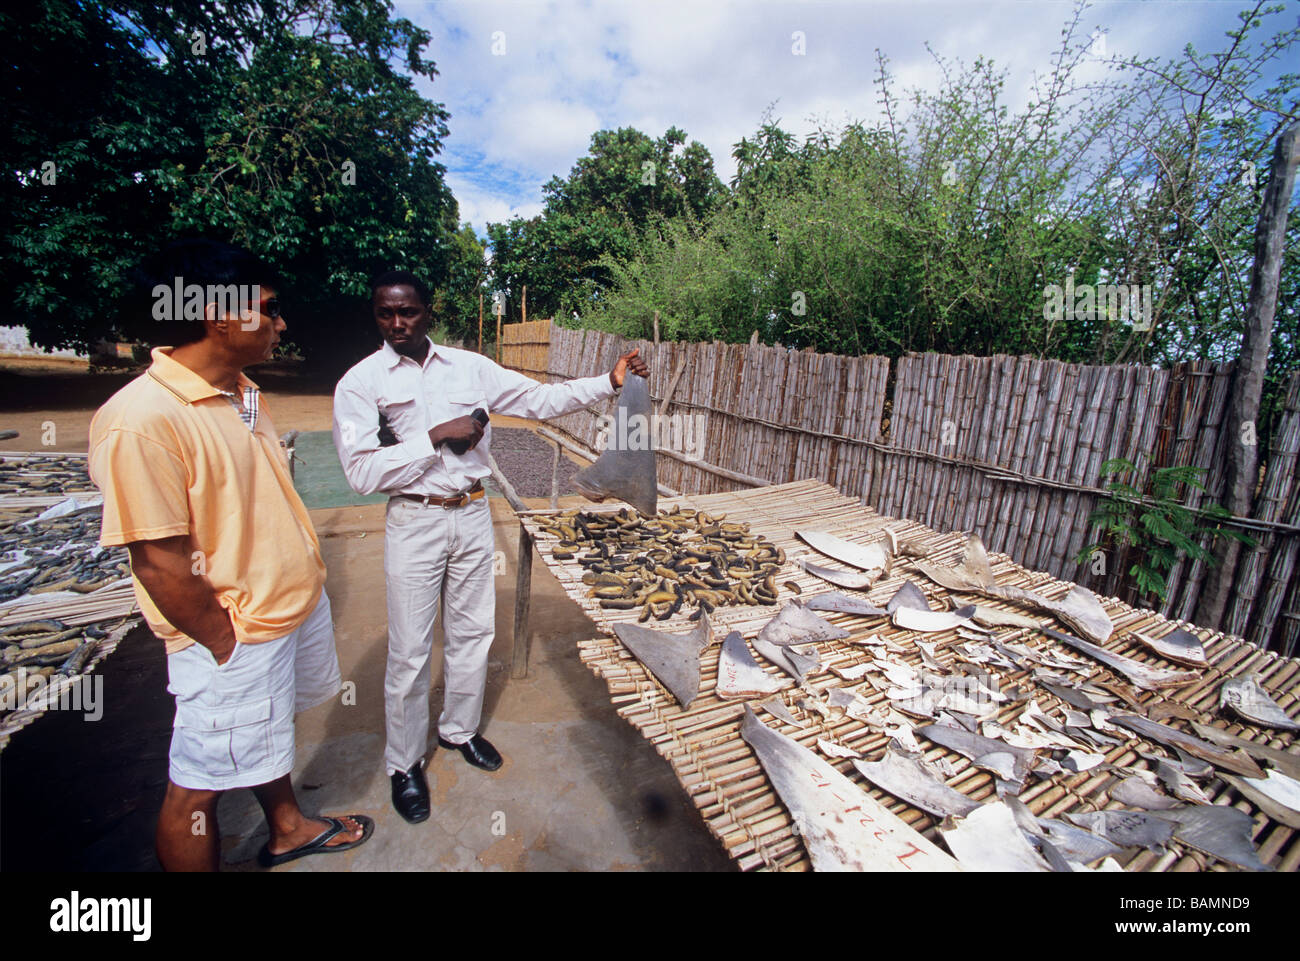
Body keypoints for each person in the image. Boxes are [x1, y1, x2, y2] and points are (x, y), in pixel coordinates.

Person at [88, 239, 373, 870]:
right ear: (223, 316)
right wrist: (221, 640)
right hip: (233, 632)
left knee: (260, 738)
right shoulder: (141, 419)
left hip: (278, 611)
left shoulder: (241, 392)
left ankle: (289, 827)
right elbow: (158, 559)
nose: (281, 323)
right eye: (269, 309)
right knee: (196, 784)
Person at [333, 270, 648, 823]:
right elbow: (360, 472)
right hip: (415, 518)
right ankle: (404, 766)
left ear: (428, 310)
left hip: (473, 512)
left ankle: (458, 731)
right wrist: (433, 437)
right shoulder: (361, 382)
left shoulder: (470, 368)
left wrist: (609, 381)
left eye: (407, 311)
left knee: (474, 631)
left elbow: (539, 400)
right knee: (409, 652)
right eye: (385, 313)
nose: (397, 323)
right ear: (375, 315)